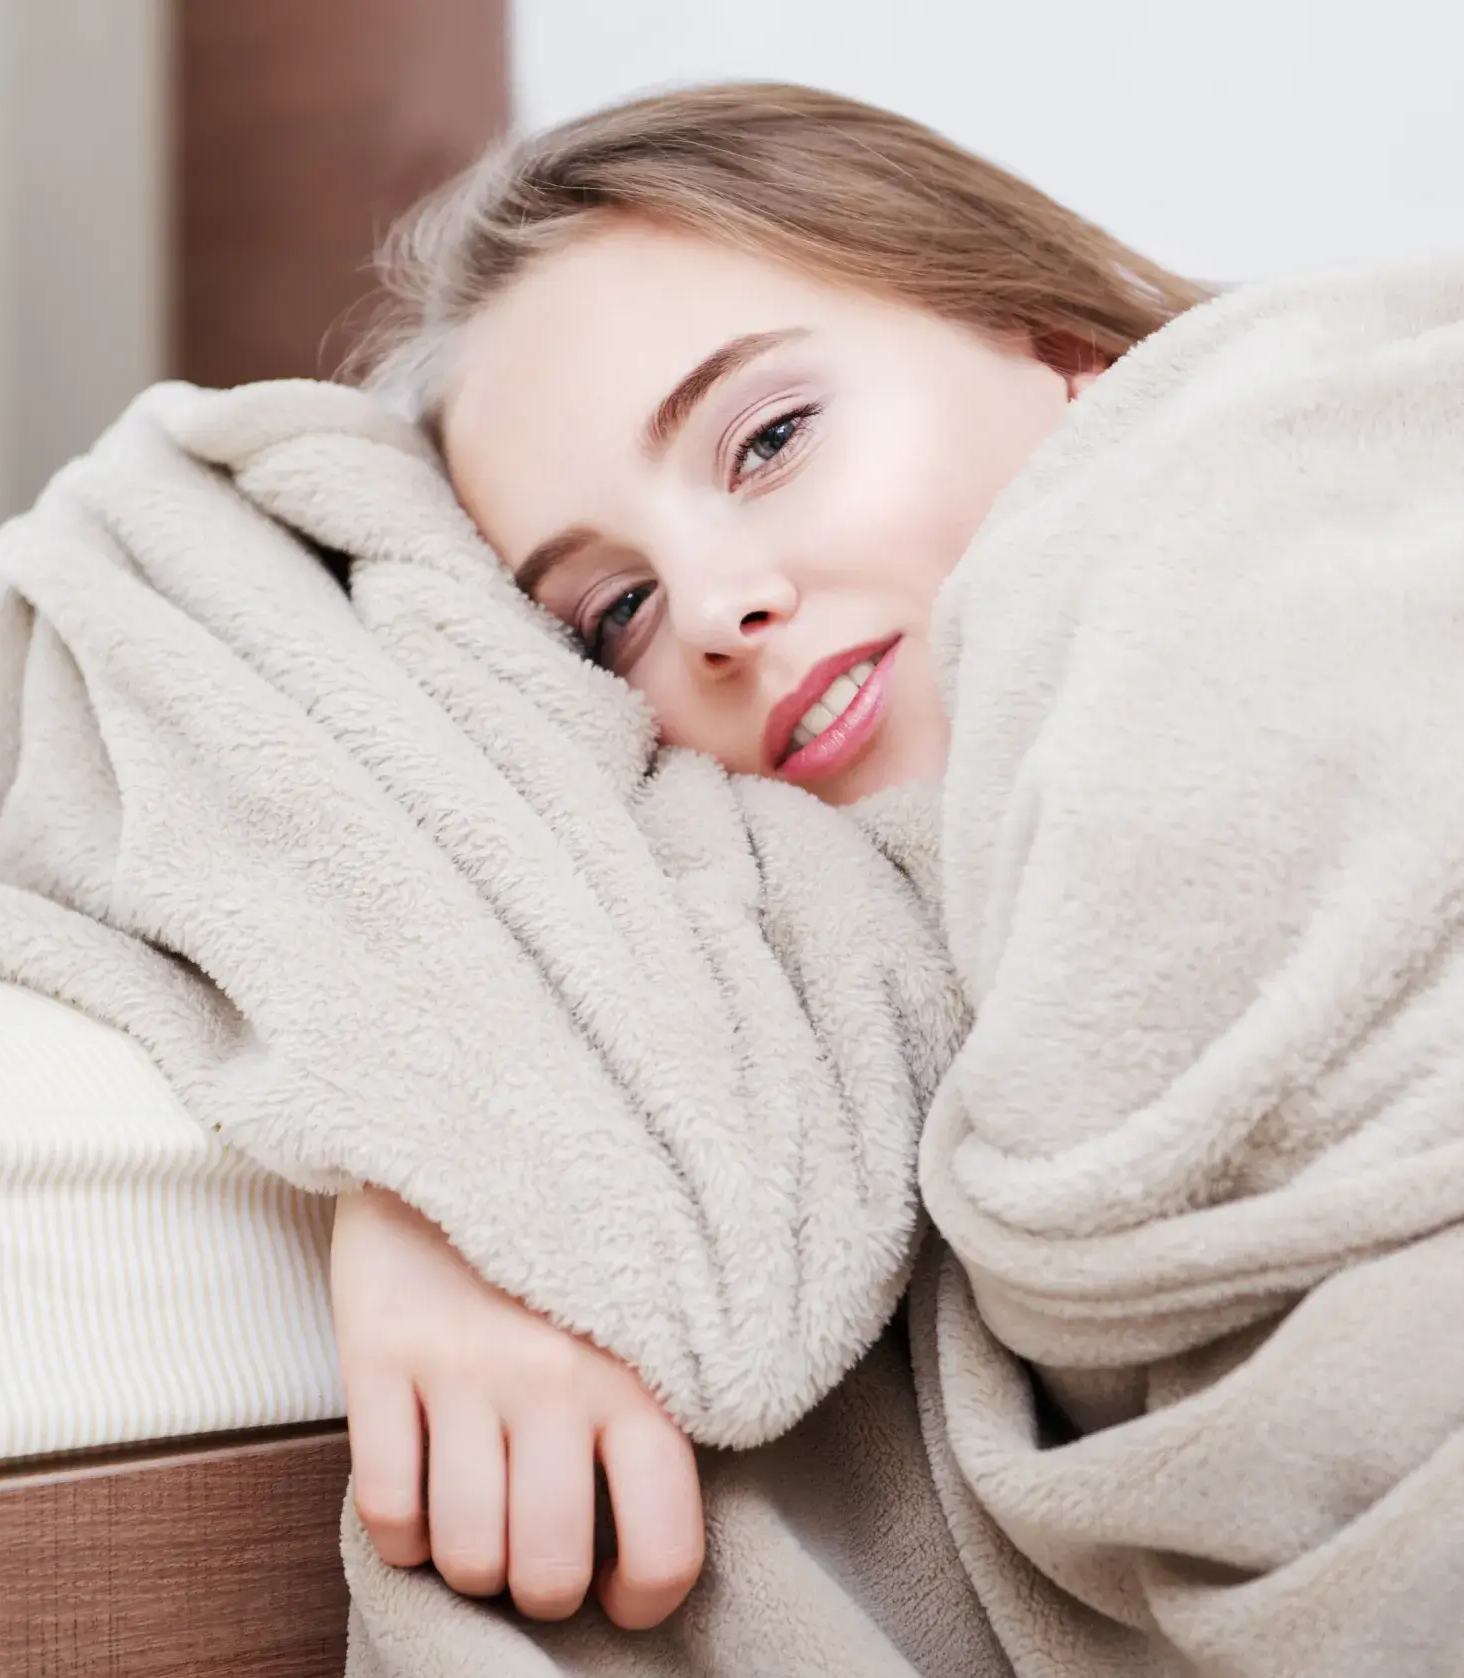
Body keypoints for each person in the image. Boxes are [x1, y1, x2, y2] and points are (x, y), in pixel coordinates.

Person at [327, 80, 1210, 1634]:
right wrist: (461, 1139)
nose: (714, 609)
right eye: (614, 612)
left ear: (1060, 351)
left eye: (768, 440)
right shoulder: (755, 895)